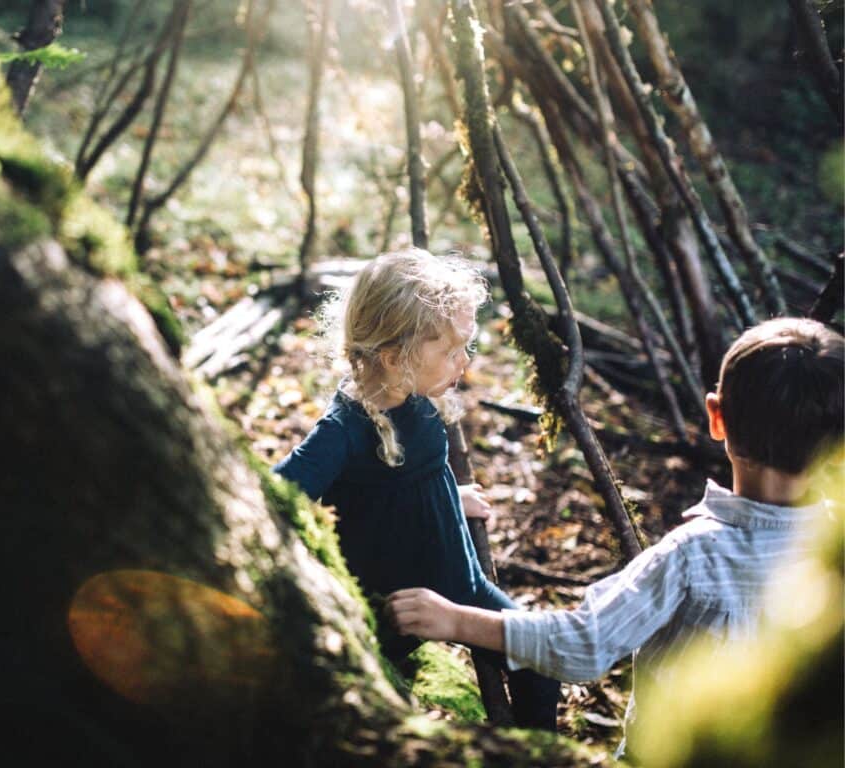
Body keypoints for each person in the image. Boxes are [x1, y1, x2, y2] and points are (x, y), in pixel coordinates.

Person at [385, 316, 844, 756]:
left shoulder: (695, 554)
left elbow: (585, 645)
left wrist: (455, 621)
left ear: (715, 416)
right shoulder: (834, 557)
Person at [272, 248, 560, 730]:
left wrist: (446, 496)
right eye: (450, 351)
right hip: (399, 609)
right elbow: (279, 494)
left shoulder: (413, 394)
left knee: (542, 661)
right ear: (392, 357)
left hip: (458, 581)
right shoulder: (344, 430)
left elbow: (409, 472)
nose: (463, 361)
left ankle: (536, 753)